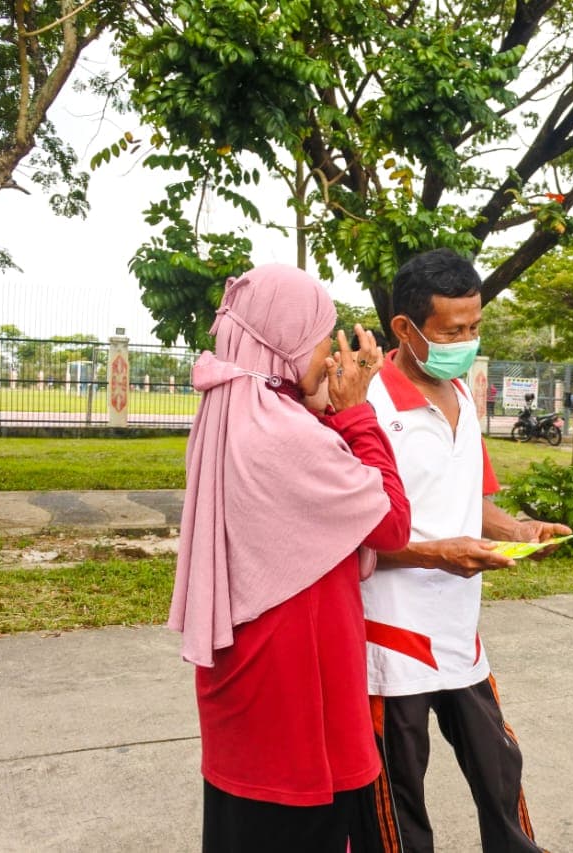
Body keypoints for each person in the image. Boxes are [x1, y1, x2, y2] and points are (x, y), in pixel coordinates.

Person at [168, 264, 411, 852]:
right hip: (298, 694)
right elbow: (392, 524)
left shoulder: (232, 411)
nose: (329, 355)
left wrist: (324, 408)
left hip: (242, 680)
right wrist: (357, 413)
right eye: (322, 338)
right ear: (286, 342)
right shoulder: (290, 435)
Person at [363, 248, 572, 853]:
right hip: (390, 639)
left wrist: (518, 530)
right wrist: (436, 554)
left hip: (459, 633)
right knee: (398, 797)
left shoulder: (459, 392)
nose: (467, 341)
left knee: (499, 769)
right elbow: (354, 535)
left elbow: (471, 500)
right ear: (404, 328)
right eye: (452, 331)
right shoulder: (366, 406)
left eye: (475, 326)